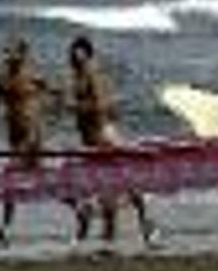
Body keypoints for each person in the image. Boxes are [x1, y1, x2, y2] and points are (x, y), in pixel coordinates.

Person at [65, 36, 158, 246]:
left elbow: (100, 106)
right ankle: (116, 230)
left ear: (87, 53)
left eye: (79, 51)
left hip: (102, 136)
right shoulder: (78, 75)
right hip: (90, 139)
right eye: (73, 51)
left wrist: (75, 107)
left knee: (115, 184)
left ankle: (139, 225)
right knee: (105, 185)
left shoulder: (91, 73)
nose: (75, 55)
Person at [0, 39, 50, 247]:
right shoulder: (2, 78)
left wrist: (43, 115)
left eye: (14, 52)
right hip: (15, 135)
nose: (9, 55)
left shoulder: (33, 75)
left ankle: (4, 228)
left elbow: (51, 93)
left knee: (10, 176)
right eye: (7, 51)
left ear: (23, 54)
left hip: (32, 135)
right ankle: (80, 208)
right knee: (43, 179)